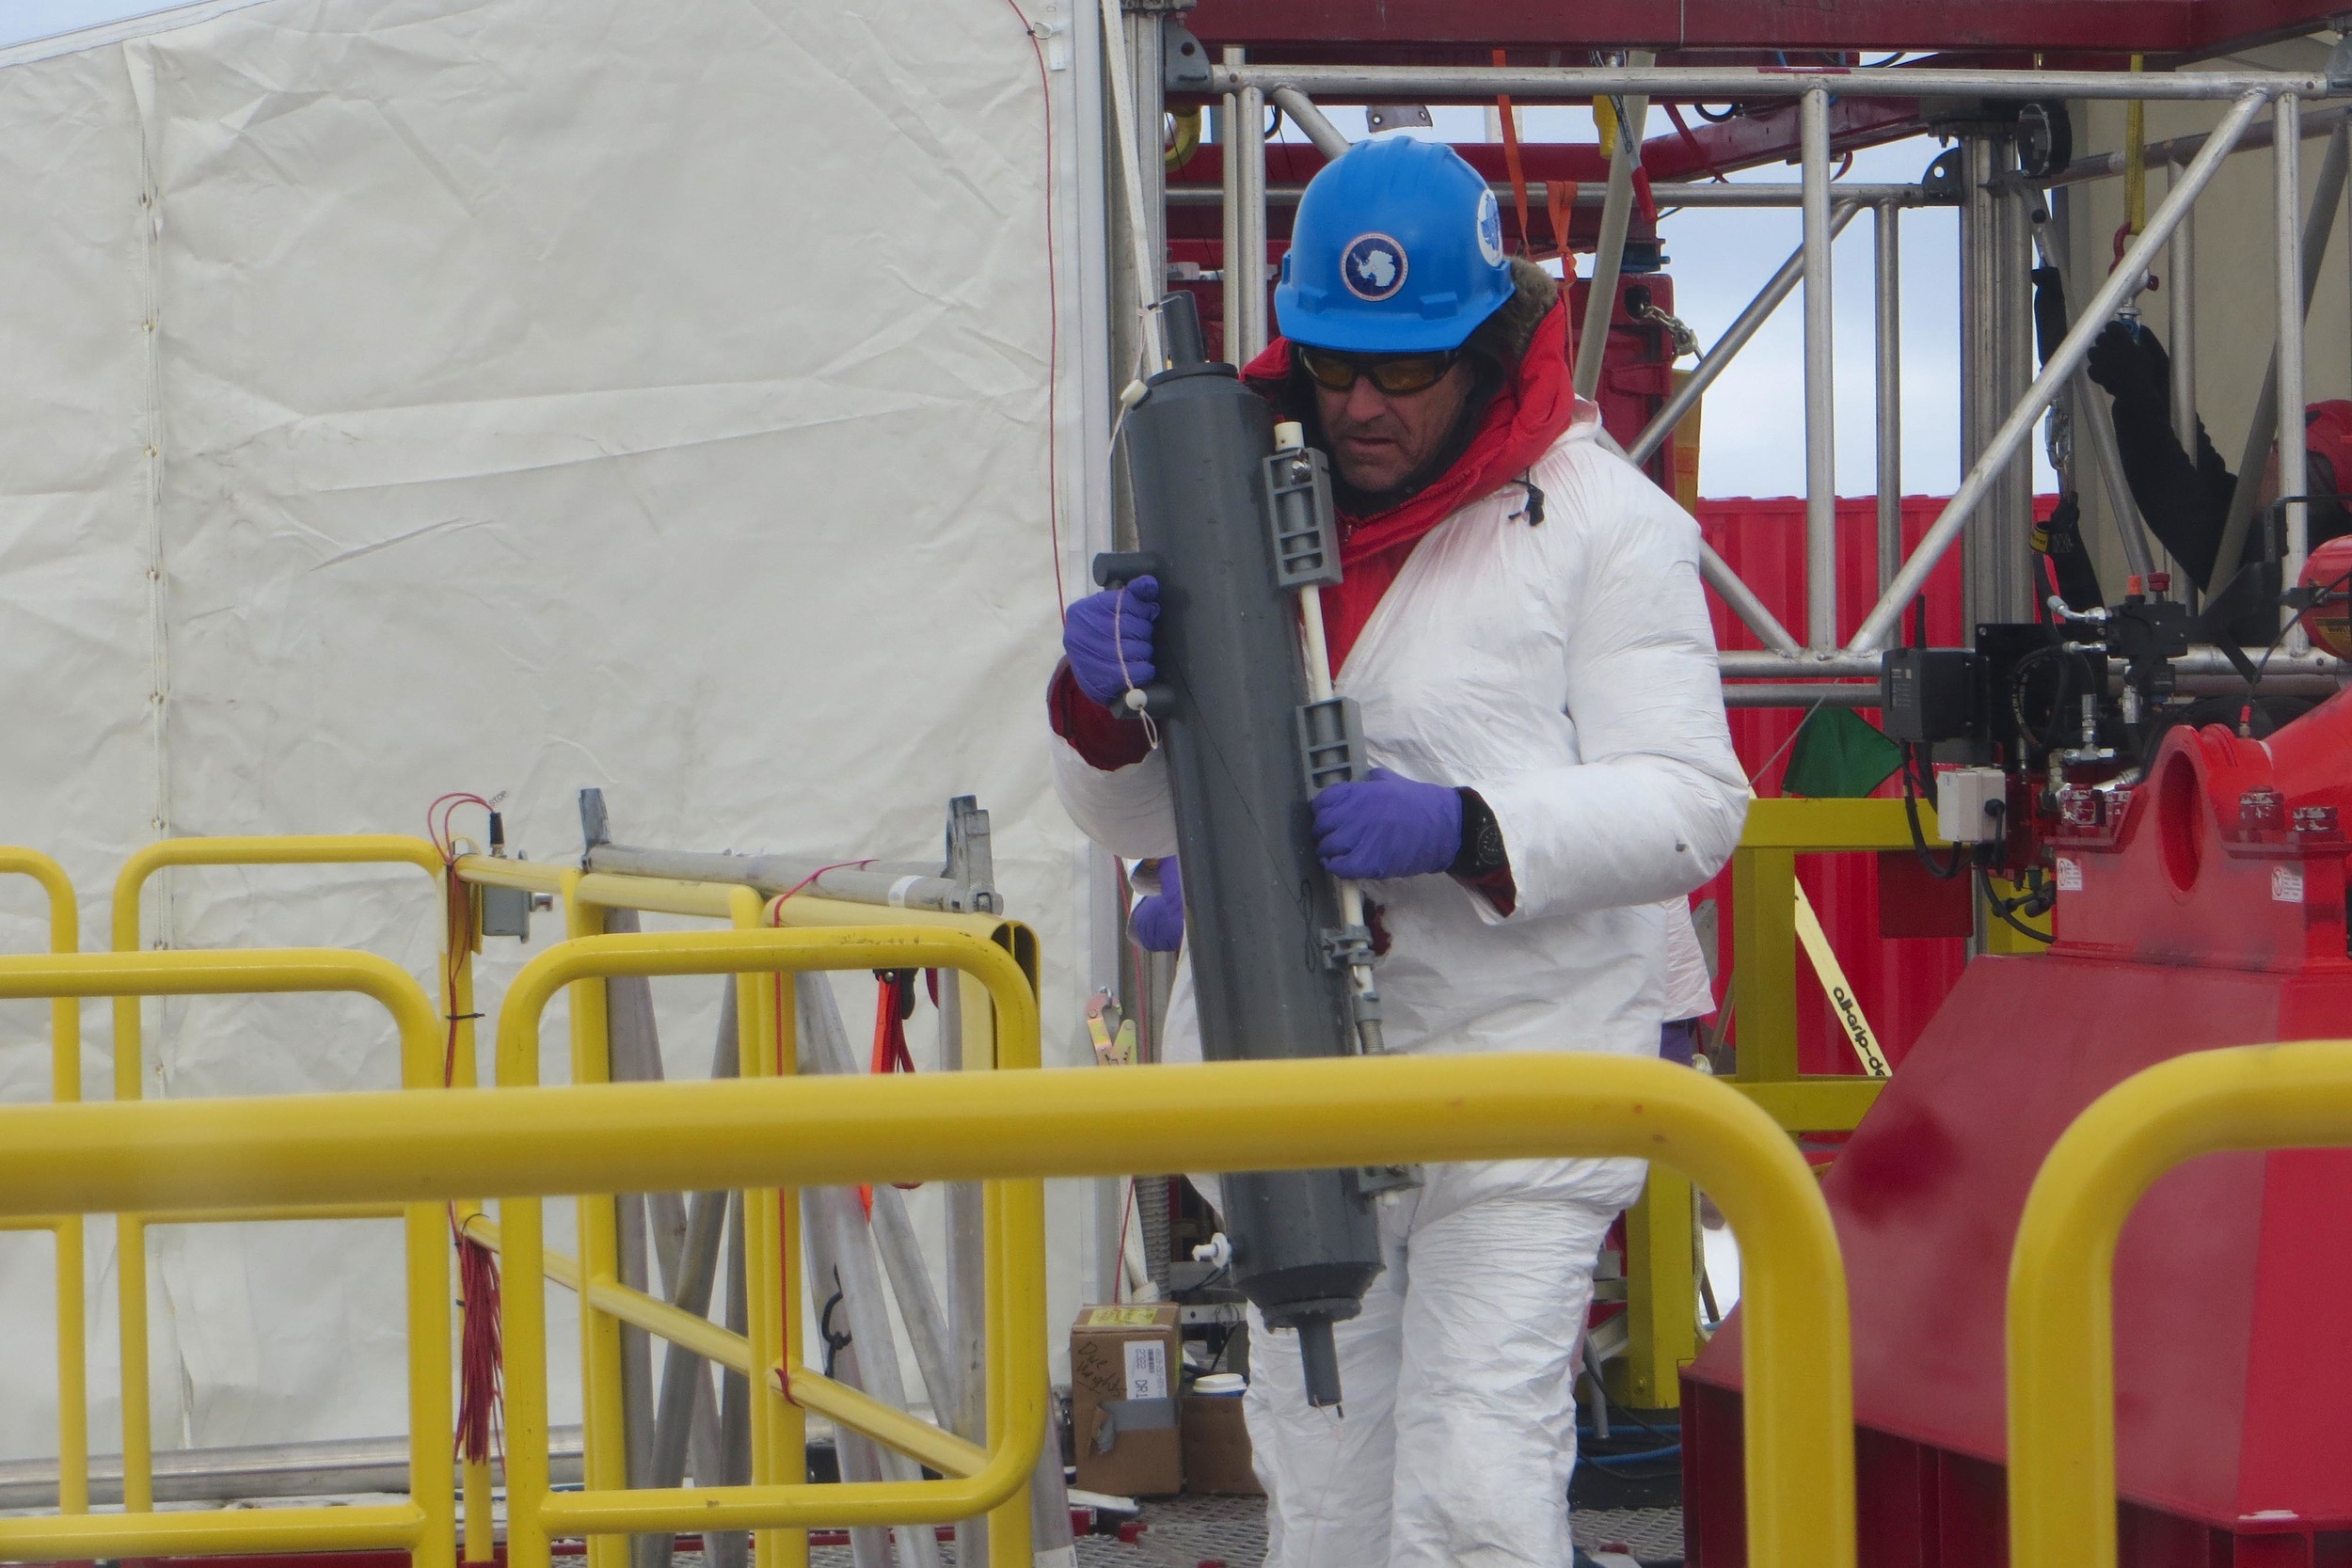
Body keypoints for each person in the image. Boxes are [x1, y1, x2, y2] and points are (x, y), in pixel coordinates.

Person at [1048, 134, 1749, 1568]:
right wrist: (1099, 711)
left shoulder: (1609, 527)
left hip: (1525, 1070)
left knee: (1477, 1491)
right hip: (1294, 1074)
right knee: (1323, 1491)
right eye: (1331, 362)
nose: (1363, 404)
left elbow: (1694, 800)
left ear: (1489, 351)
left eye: (1408, 371)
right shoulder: (1218, 497)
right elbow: (1130, 821)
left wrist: (1470, 826)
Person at [2084, 319, 2352, 623]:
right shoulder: (2315, 545)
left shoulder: (2290, 569)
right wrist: (2163, 387)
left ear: (2308, 478)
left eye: (2278, 450)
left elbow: (2176, 502)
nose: (2265, 458)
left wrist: (2133, 394)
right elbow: (2218, 490)